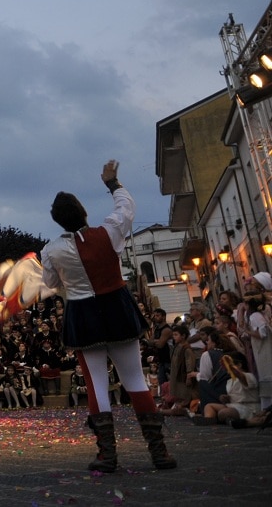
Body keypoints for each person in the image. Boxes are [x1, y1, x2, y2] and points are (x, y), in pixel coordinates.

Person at [41, 159, 175, 472]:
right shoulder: (109, 232)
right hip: (116, 308)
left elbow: (49, 284)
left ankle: (108, 455)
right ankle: (159, 453)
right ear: (83, 212)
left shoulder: (51, 250)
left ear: (59, 221)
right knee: (135, 381)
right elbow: (127, 207)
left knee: (97, 386)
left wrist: (68, 281)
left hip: (83, 315)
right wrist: (112, 182)